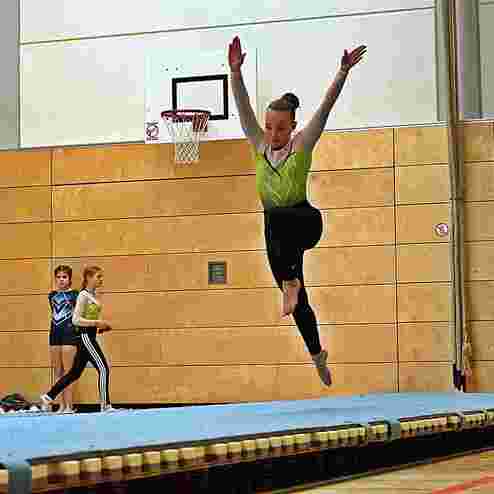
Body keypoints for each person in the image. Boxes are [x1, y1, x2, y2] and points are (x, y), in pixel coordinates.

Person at [228, 36, 366, 386]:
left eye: (280, 128)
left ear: (292, 127)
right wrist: (235, 72)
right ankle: (318, 355)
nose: (273, 133)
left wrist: (343, 72)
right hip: (277, 235)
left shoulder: (301, 144)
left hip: (305, 221)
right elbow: (242, 107)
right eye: (269, 127)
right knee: (298, 305)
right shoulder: (259, 145)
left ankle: (291, 280)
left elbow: (326, 107)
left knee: (276, 217)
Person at [41, 266, 116, 412]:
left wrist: (100, 327)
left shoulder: (92, 295)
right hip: (85, 337)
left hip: (89, 336)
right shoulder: (82, 295)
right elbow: (75, 320)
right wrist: (96, 323)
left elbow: (88, 317)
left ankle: (48, 396)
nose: (101, 280)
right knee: (103, 369)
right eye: (98, 277)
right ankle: (105, 405)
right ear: (89, 278)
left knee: (74, 373)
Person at [48, 265, 79, 413]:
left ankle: (69, 406)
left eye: (64, 277)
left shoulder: (75, 295)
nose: (61, 280)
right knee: (58, 372)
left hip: (69, 333)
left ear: (70, 279)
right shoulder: (52, 295)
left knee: (68, 372)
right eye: (59, 277)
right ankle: (60, 405)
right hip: (55, 333)